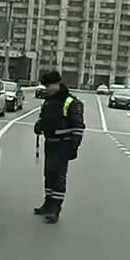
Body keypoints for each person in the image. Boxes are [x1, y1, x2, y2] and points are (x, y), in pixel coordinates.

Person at [33, 71, 85, 224]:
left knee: (58, 177)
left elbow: (78, 126)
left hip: (63, 144)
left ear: (56, 84)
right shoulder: (49, 101)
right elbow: (44, 118)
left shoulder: (70, 102)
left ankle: (55, 209)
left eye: (49, 86)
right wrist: (39, 126)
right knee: (48, 174)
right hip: (50, 142)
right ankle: (48, 203)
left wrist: (74, 146)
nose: (47, 88)